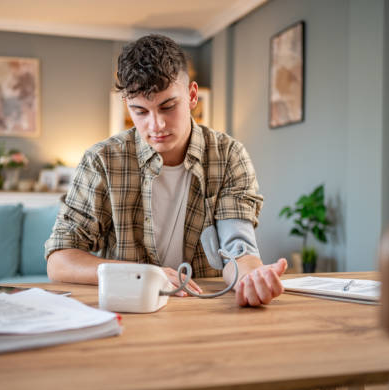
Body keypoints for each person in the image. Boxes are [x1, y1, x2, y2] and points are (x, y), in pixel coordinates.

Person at [45, 34, 287, 307]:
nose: (156, 125)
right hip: (129, 310)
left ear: (192, 95)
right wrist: (143, 275)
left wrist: (252, 277)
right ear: (128, 105)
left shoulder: (229, 155)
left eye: (168, 106)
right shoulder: (101, 161)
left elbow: (238, 251)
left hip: (202, 310)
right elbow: (59, 260)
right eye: (140, 112)